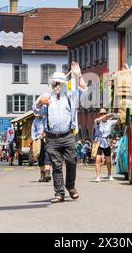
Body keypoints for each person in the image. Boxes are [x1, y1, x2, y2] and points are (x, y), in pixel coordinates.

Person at [34, 62, 87, 204]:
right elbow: (35, 110)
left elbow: (84, 89)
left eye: (59, 84)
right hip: (51, 138)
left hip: (68, 135)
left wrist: (78, 74)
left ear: (64, 84)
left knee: (71, 162)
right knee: (56, 166)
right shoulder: (46, 96)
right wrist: (40, 104)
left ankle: (70, 186)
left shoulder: (70, 95)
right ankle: (59, 193)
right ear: (51, 84)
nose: (57, 87)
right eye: (54, 84)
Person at [93, 109, 120, 182]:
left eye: (104, 113)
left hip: (107, 141)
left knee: (108, 160)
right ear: (99, 115)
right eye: (101, 114)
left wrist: (116, 114)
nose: (103, 115)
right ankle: (98, 176)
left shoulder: (110, 122)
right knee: (98, 159)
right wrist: (106, 115)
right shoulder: (97, 121)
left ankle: (109, 174)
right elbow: (98, 120)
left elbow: (118, 120)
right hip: (98, 141)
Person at [31, 112, 51, 183]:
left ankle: (47, 173)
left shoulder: (47, 118)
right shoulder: (35, 121)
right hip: (38, 140)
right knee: (40, 157)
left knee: (47, 155)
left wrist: (46, 132)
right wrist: (34, 140)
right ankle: (42, 174)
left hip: (47, 139)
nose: (38, 115)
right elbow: (33, 131)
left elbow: (51, 127)